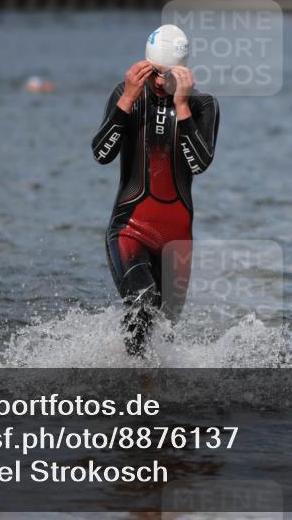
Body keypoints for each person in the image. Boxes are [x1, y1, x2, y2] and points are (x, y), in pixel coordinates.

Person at [92, 24, 219, 356]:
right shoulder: (128, 94)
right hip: (130, 230)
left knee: (165, 335)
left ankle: (151, 390)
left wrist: (182, 106)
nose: (161, 82)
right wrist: (128, 98)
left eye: (169, 75)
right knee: (143, 303)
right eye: (156, 74)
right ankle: (134, 385)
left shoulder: (203, 105)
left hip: (177, 241)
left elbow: (199, 163)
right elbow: (101, 154)